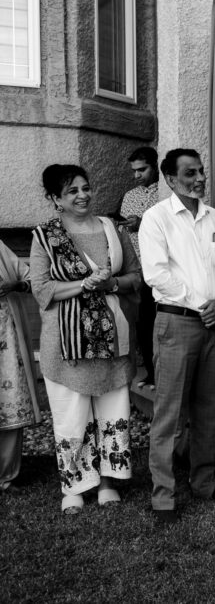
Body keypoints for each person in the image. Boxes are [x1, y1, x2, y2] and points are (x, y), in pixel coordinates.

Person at [30, 164, 140, 514]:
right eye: (72, 191)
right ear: (55, 199)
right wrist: (85, 284)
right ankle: (74, 486)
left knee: (112, 409)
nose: (82, 195)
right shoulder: (45, 235)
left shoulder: (111, 228)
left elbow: (136, 276)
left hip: (113, 340)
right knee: (71, 414)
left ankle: (108, 482)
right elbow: (41, 289)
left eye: (85, 187)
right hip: (66, 344)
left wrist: (112, 284)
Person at [139, 148, 215, 524]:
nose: (199, 179)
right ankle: (163, 496)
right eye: (190, 173)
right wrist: (204, 304)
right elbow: (157, 275)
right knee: (168, 414)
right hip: (177, 323)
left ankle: (205, 483)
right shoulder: (156, 219)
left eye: (201, 172)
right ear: (169, 178)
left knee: (206, 409)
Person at [0, 237, 42, 491]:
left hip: (6, 337)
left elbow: (32, 278)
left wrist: (16, 284)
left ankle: (5, 476)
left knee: (10, 400)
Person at [118, 146, 160, 390]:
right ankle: (152, 374)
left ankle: (164, 375)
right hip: (138, 271)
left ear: (155, 166)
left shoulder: (165, 195)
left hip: (162, 269)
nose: (137, 175)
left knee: (161, 324)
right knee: (143, 324)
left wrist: (142, 223)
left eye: (142, 169)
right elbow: (124, 234)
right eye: (134, 171)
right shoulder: (129, 196)